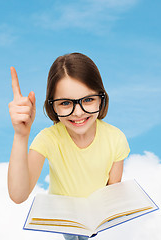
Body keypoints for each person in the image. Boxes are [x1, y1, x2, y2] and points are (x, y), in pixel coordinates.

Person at [8, 53, 130, 240]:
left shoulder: (116, 138)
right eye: (65, 103)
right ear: (52, 106)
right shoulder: (48, 139)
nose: (78, 112)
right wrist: (21, 135)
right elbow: (18, 194)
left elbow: (112, 192)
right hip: (65, 220)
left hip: (96, 221)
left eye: (88, 100)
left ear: (101, 98)